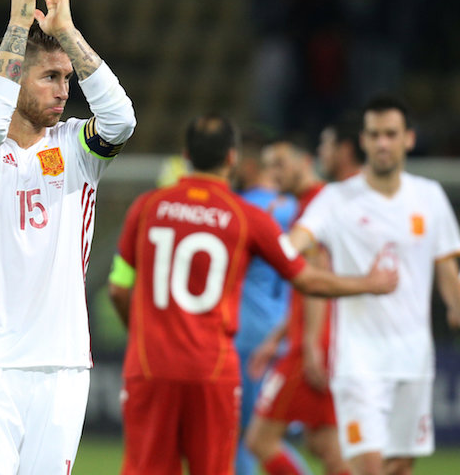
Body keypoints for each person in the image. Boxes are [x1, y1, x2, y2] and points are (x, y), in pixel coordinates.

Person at [107, 114, 396, 475]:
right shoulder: (248, 217)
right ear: (231, 157)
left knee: (146, 467)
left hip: (151, 364)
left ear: (185, 155)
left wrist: (141, 334)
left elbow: (118, 288)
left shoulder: (146, 208)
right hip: (214, 368)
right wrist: (369, 284)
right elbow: (308, 280)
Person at [0, 0, 136, 475]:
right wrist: (17, 23)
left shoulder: (77, 148)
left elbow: (120, 120)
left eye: (67, 79)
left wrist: (67, 33)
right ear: (17, 78)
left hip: (63, 366)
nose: (63, 90)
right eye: (49, 77)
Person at [288, 95, 460, 475]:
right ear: (363, 142)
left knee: (399, 465)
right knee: (368, 466)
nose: (383, 143)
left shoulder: (428, 196)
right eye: (374, 134)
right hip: (359, 360)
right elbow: (292, 246)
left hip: (414, 359)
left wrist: (455, 306)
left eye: (391, 134)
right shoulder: (336, 200)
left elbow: (446, 266)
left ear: (408, 139)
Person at [245, 138, 349, 475]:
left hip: (310, 347)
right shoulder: (309, 204)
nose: (273, 173)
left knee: (259, 441)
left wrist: (310, 343)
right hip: (312, 339)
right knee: (326, 447)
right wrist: (277, 337)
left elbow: (317, 276)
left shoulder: (317, 205)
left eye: (279, 163)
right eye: (268, 165)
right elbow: (306, 286)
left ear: (304, 161)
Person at [232, 131, 303, 475]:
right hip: (285, 332)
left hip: (247, 336)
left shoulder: (241, 208)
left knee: (248, 435)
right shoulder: (297, 209)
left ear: (248, 165)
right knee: (266, 433)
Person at [317, 111, 363, 182]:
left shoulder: (373, 189)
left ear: (345, 150)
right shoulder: (331, 191)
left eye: (325, 144)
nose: (320, 151)